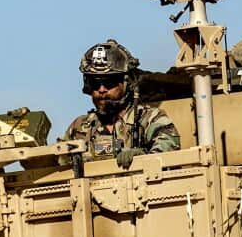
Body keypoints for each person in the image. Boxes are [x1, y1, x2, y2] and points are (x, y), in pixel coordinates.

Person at [63, 39, 181, 168]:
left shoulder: (149, 119)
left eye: (109, 82)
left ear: (126, 83)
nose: (102, 89)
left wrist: (144, 157)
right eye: (95, 83)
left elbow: (169, 148)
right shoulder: (79, 128)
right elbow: (56, 164)